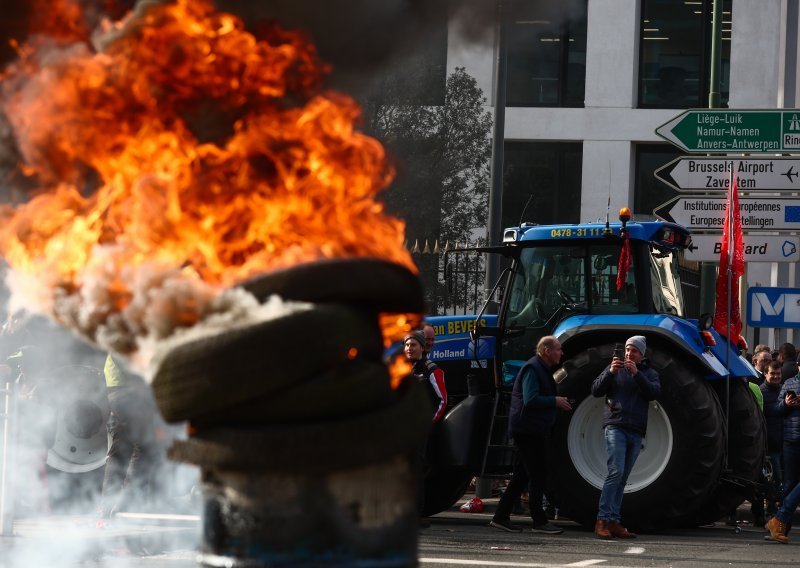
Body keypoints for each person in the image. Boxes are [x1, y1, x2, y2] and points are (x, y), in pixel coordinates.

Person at [489, 336, 571, 535]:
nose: (561, 353)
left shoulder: (539, 368)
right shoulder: (533, 369)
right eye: (558, 349)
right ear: (545, 351)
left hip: (529, 428)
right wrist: (555, 401)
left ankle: (500, 517)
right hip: (527, 430)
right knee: (538, 474)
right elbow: (530, 399)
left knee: (521, 475)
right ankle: (539, 521)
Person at [591, 336, 661, 539]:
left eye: (635, 351)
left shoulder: (649, 373)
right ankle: (602, 520)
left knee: (622, 478)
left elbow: (654, 393)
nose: (629, 354)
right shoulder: (614, 368)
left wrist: (637, 374)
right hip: (616, 426)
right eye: (628, 350)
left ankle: (614, 521)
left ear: (642, 354)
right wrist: (610, 372)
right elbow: (595, 390)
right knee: (616, 471)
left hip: (636, 430)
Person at [98, 354, 165, 525]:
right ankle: (127, 504)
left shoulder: (112, 348)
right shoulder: (126, 344)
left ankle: (107, 506)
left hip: (117, 396)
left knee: (118, 453)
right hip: (130, 395)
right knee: (140, 449)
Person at [766, 382, 800, 543]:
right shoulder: (790, 383)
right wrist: (786, 404)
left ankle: (779, 521)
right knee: (790, 484)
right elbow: (776, 410)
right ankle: (781, 525)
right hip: (792, 440)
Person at [759, 361, 783, 521]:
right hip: (770, 443)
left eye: (778, 374)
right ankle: (770, 509)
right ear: (765, 374)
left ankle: (774, 508)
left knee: (780, 479)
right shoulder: (761, 392)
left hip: (784, 442)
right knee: (773, 479)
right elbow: (766, 414)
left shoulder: (783, 390)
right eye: (772, 374)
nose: (775, 377)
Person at [404, 331, 446, 423]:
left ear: (422, 348)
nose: (409, 348)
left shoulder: (432, 370)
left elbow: (442, 402)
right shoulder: (401, 370)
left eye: (413, 345)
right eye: (407, 345)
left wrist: (429, 424)